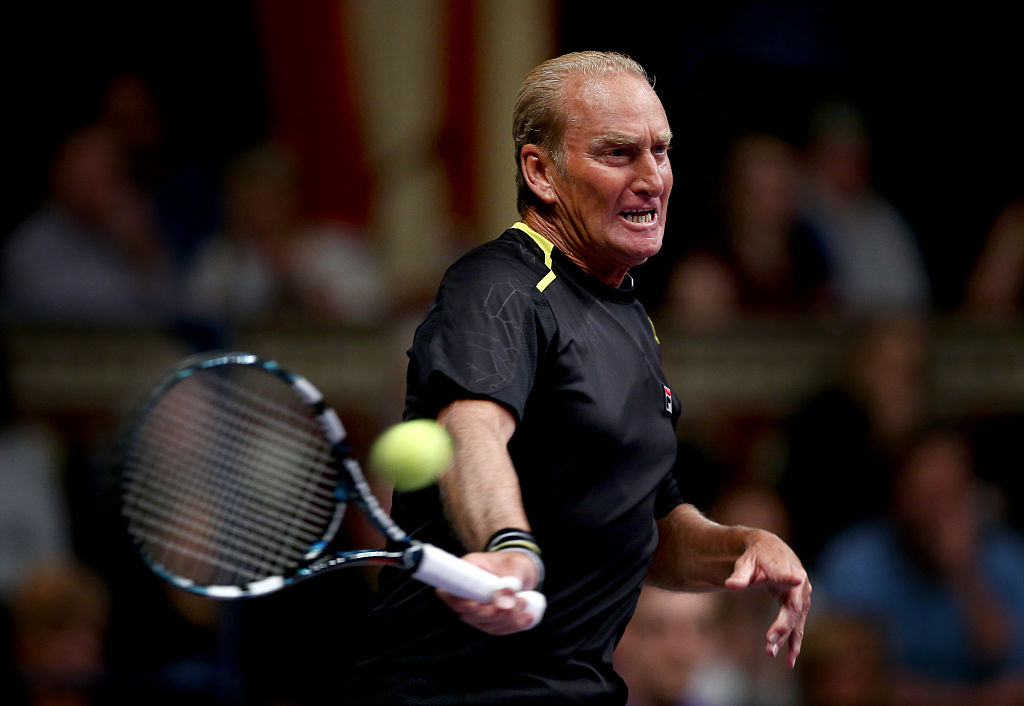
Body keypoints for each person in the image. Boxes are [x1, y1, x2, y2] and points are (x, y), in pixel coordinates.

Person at [345, 51, 811, 705]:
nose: (653, 177)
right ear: (542, 172)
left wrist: (741, 547)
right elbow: (473, 429)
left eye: (661, 151)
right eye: (619, 154)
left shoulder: (630, 318)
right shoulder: (496, 286)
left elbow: (648, 525)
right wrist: (506, 545)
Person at [815, 424, 1024, 705]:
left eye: (952, 495)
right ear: (898, 495)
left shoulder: (1007, 558)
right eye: (926, 496)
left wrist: (966, 574)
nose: (939, 513)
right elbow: (851, 683)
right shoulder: (854, 563)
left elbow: (1008, 663)